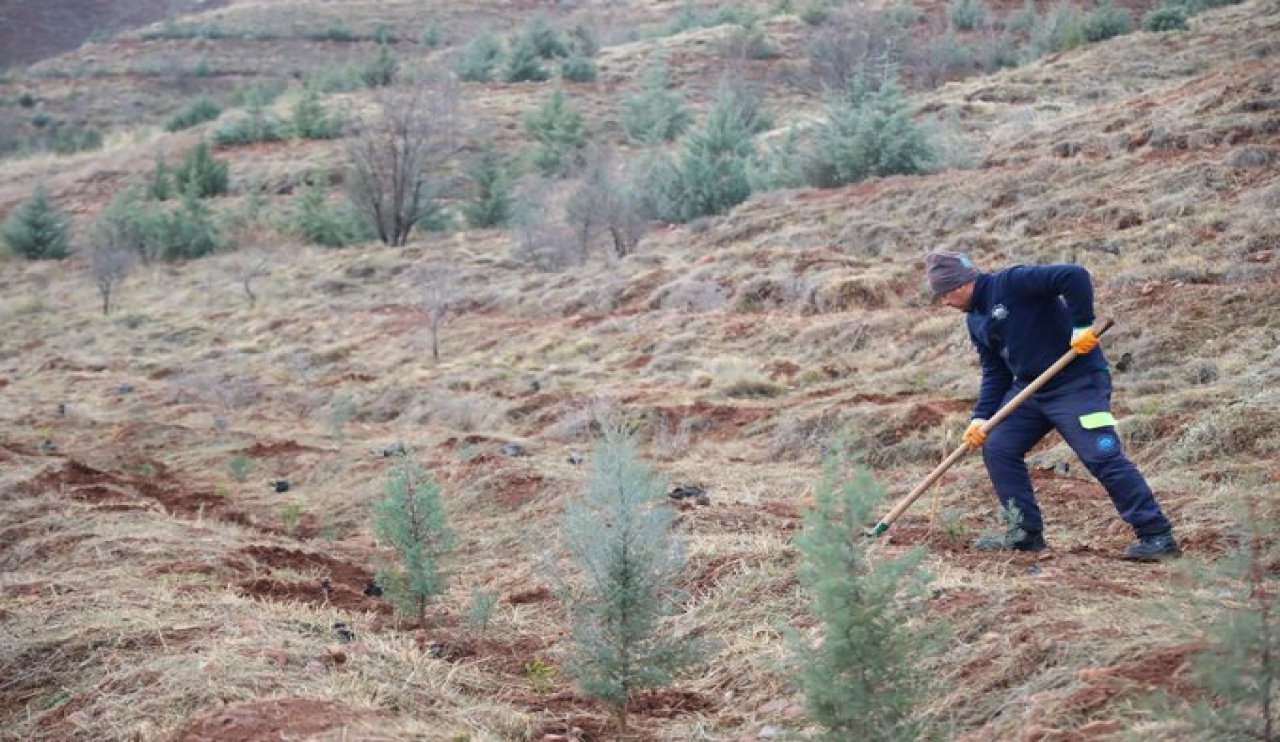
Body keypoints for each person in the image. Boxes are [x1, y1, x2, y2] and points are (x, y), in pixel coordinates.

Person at [925, 250, 1180, 561]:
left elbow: (1073, 275)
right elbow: (995, 372)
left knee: (1100, 454)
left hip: (1077, 382)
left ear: (959, 285)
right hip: (1030, 390)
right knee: (999, 447)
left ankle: (1156, 534)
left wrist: (1081, 326)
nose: (945, 303)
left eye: (944, 296)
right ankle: (1024, 534)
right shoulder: (975, 320)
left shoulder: (1012, 282)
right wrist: (980, 418)